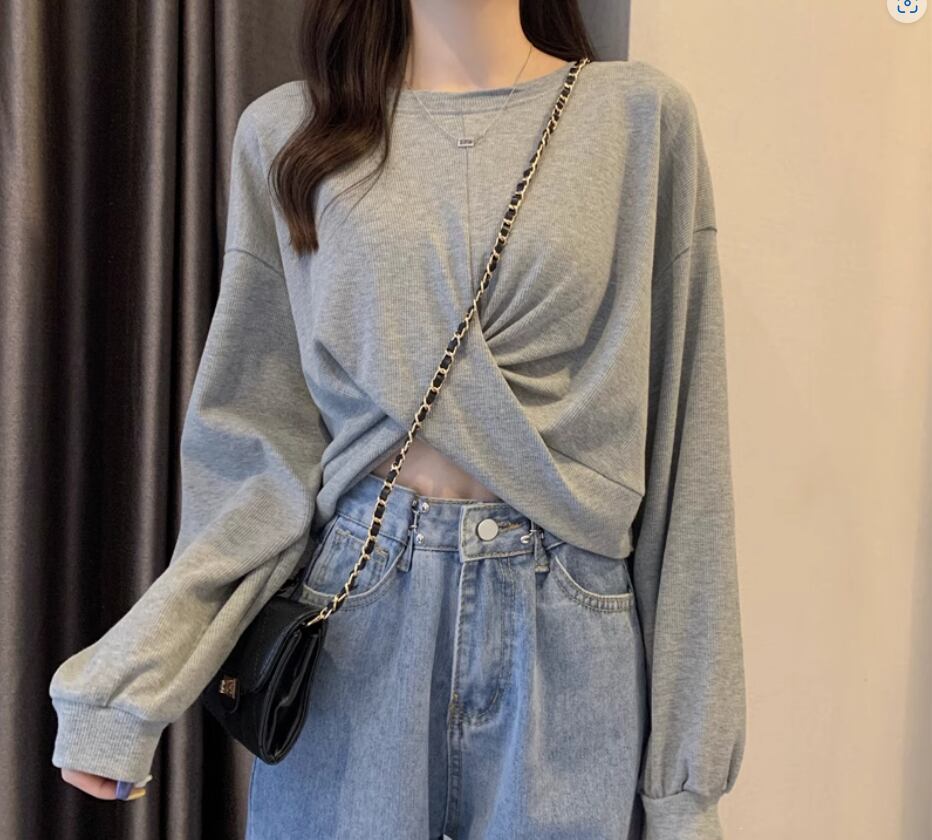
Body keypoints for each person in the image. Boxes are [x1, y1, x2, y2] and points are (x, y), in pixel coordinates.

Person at [50, 1, 747, 837]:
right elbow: (254, 457)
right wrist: (128, 691)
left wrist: (685, 793)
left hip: (568, 626)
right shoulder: (290, 134)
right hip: (359, 619)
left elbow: (686, 465)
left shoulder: (639, 121)